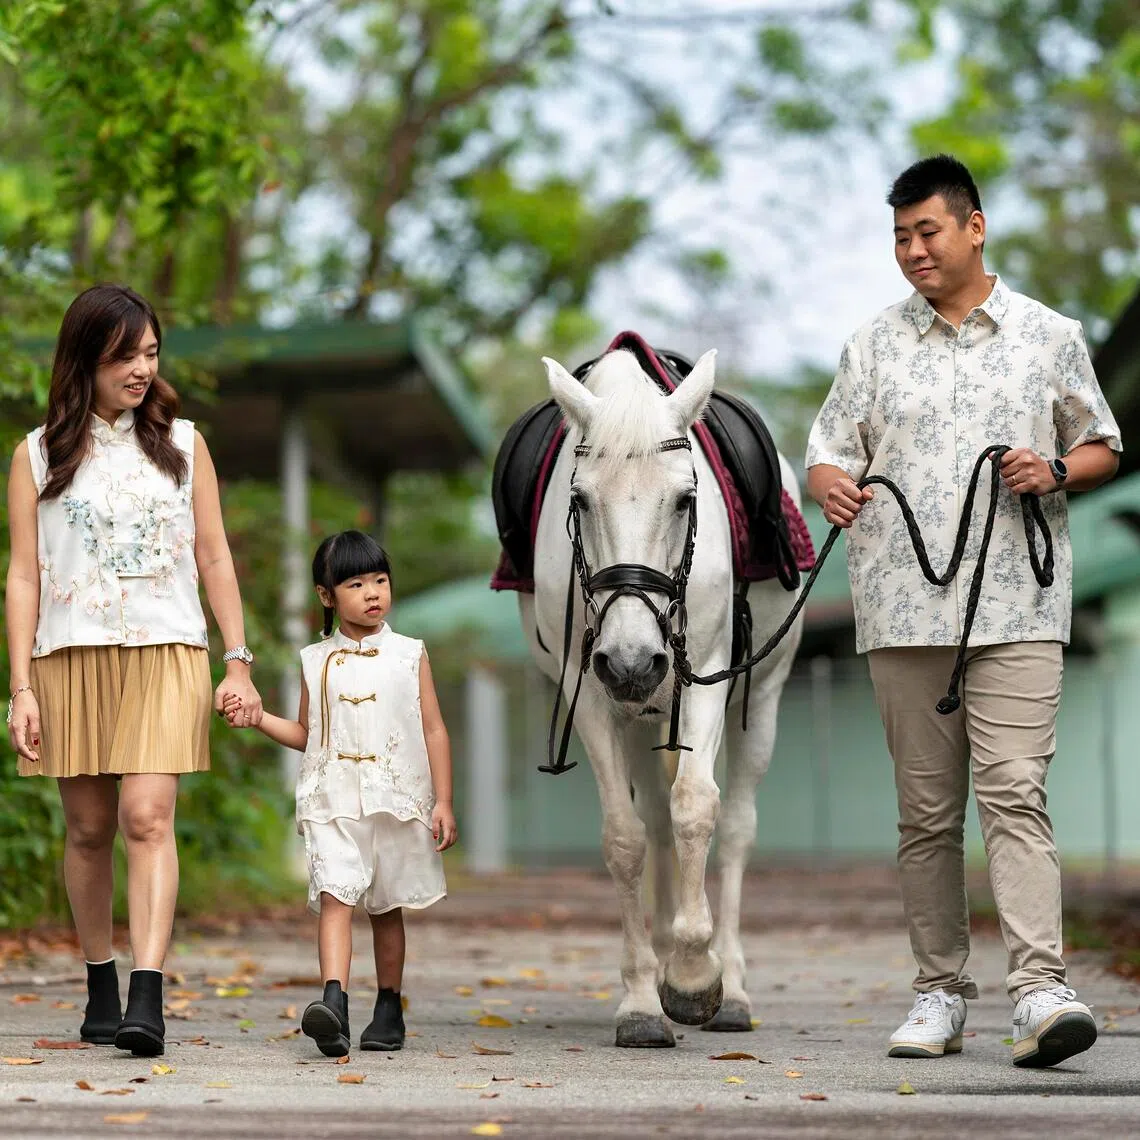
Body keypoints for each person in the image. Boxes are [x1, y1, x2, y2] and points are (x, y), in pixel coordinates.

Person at [805, 155, 1121, 1068]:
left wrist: (1054, 469)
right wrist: (830, 487)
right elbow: (828, 453)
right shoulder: (871, 344)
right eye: (899, 237)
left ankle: (1039, 992)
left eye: (927, 232)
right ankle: (939, 993)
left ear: (974, 227)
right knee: (927, 813)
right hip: (902, 608)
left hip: (1018, 602)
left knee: (1015, 790)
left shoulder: (1048, 335)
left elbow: (1100, 443)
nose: (911, 251)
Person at [5, 284, 262, 1057]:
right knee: (86, 830)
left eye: (151, 352)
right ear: (86, 358)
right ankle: (100, 983)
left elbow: (212, 553)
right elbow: (23, 575)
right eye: (126, 355)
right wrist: (19, 686)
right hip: (69, 654)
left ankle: (147, 995)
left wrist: (238, 658)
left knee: (145, 819)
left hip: (166, 648)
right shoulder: (35, 454)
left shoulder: (184, 444)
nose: (143, 368)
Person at [223, 530, 457, 1056]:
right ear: (327, 596)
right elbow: (309, 736)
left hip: (396, 800)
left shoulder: (409, 654)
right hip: (332, 799)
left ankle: (389, 1006)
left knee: (385, 907)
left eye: (380, 580)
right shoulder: (314, 660)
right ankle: (334, 1003)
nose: (373, 592)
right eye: (356, 583)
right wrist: (260, 720)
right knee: (335, 895)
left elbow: (435, 729)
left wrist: (443, 800)